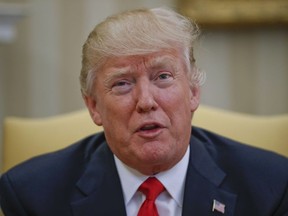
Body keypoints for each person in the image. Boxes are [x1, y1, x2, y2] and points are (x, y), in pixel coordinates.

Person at [0, 7, 287, 216]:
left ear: (194, 92)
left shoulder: (272, 185)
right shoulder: (31, 194)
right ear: (94, 106)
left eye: (162, 77)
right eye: (123, 84)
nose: (146, 101)